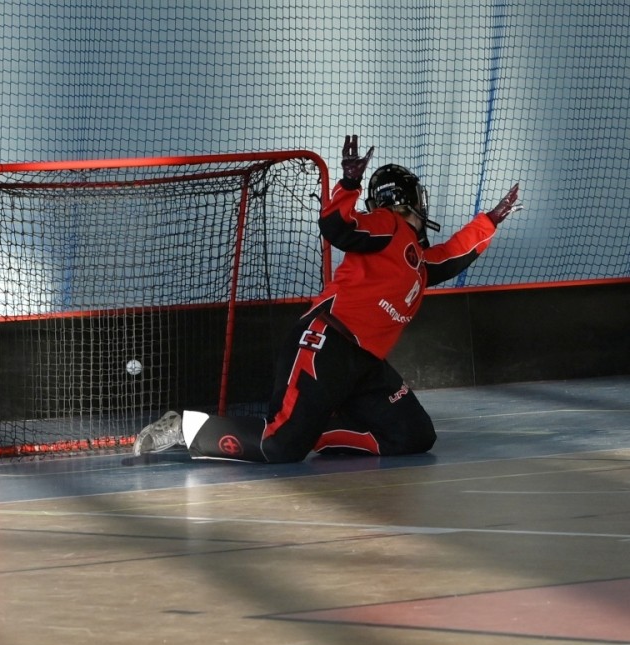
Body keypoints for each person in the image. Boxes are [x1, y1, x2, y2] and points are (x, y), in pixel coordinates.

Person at [133, 134, 523, 462]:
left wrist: (489, 221)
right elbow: (337, 226)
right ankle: (184, 428)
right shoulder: (387, 224)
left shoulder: (418, 263)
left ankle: (315, 432)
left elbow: (450, 257)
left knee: (413, 435)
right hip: (327, 344)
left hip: (366, 364)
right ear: (409, 200)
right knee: (278, 446)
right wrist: (349, 184)